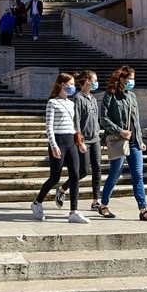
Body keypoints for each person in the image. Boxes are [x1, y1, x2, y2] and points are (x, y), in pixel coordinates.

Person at [98, 65, 147, 221]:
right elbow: (103, 119)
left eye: (133, 79)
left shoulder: (132, 96)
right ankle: (103, 205)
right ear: (122, 79)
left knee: (138, 175)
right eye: (130, 79)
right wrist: (119, 131)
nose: (132, 82)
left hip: (134, 142)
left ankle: (143, 209)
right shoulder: (110, 95)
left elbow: (136, 120)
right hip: (118, 140)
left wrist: (140, 140)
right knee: (115, 173)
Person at [31, 73, 89, 224]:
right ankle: (37, 202)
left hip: (71, 142)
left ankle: (74, 212)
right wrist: (53, 145)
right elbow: (49, 126)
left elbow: (74, 124)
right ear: (62, 84)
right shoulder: (52, 103)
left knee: (75, 175)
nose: (73, 87)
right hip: (59, 141)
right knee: (55, 177)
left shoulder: (71, 103)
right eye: (71, 84)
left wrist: (80, 142)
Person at [56, 70, 102, 212]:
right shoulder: (78, 98)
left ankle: (96, 200)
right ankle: (62, 189)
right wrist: (79, 139)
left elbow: (96, 119)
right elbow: (75, 121)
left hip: (95, 138)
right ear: (88, 81)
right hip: (83, 139)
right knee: (83, 171)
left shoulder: (93, 98)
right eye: (94, 80)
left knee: (97, 169)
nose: (96, 83)